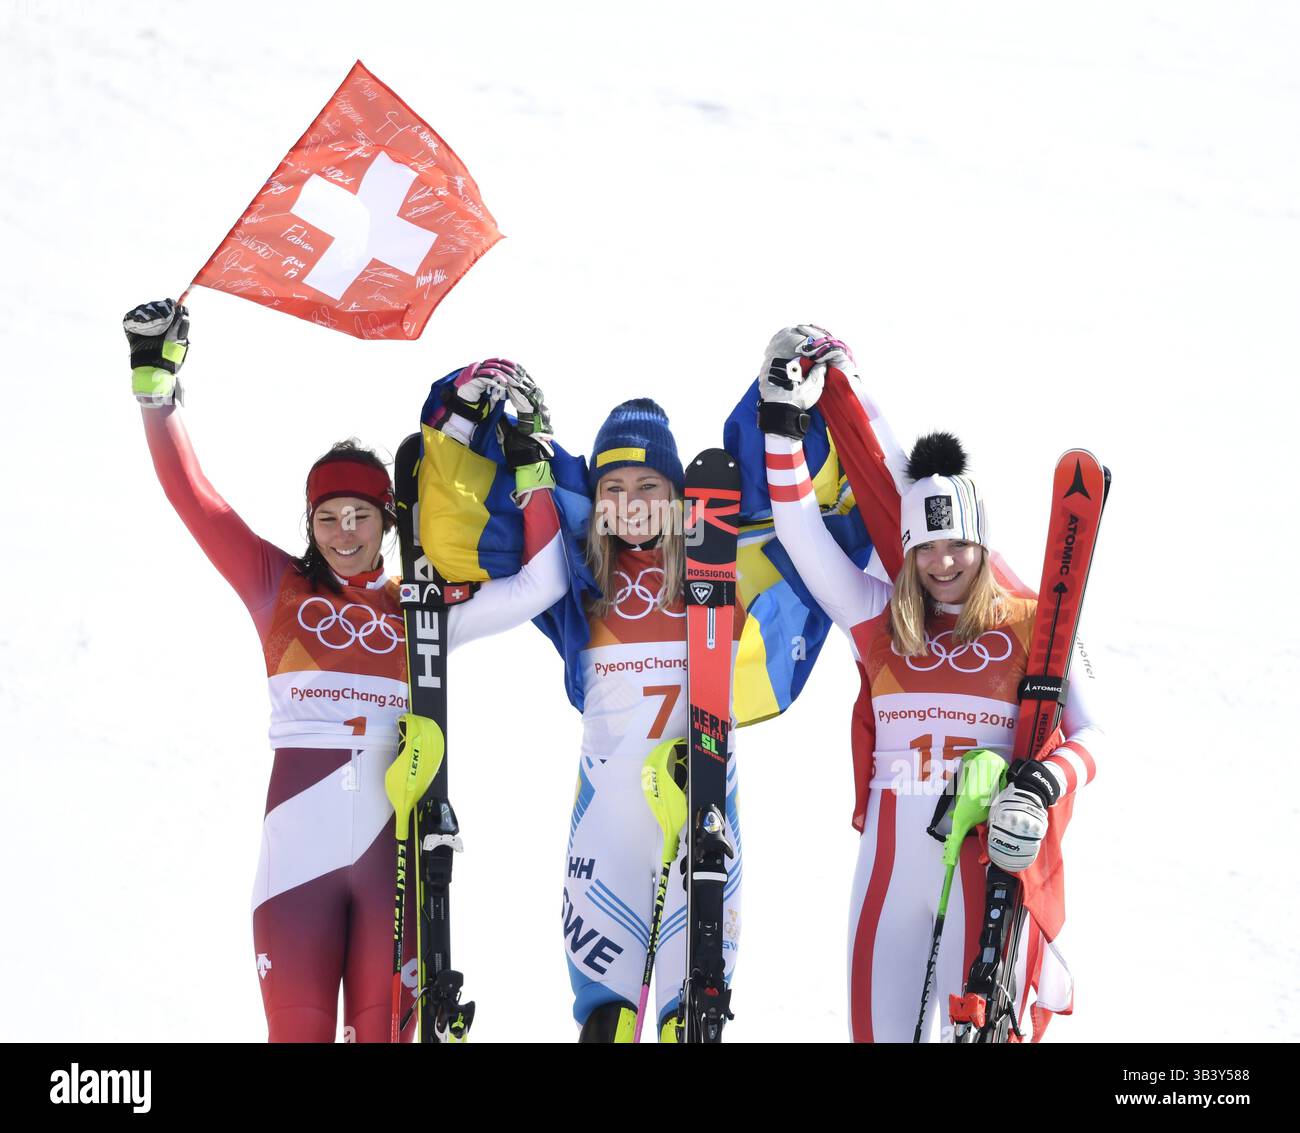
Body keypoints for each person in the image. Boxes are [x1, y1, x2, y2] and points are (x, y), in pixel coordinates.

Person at [126, 299, 569, 1042]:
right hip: (296, 872)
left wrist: (536, 471)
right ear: (310, 524)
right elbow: (196, 501)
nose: (344, 532)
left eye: (360, 515)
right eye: (327, 517)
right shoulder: (278, 589)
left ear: (386, 522)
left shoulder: (417, 610)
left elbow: (542, 583)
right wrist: (155, 391)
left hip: (387, 868)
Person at [755, 325, 1102, 1043]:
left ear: (982, 542)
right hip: (886, 879)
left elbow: (1097, 735)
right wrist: (781, 421)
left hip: (985, 865)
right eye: (927, 547)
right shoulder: (878, 618)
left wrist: (1041, 786)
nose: (944, 562)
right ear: (907, 551)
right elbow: (798, 532)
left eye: (959, 546)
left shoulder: (1038, 620)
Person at [430, 392, 744, 1041]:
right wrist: (479, 422)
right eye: (614, 486)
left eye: (649, 484)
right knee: (606, 1022)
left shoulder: (720, 572)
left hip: (703, 821)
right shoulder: (580, 586)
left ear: (678, 493)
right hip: (606, 833)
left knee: (692, 1024)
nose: (631, 501)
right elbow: (469, 516)